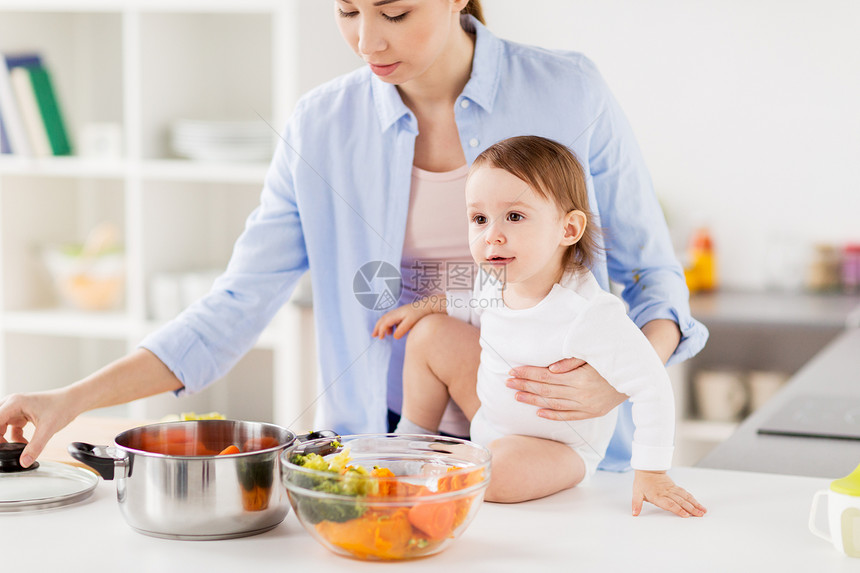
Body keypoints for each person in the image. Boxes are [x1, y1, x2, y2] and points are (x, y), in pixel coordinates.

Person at [0, 1, 706, 472]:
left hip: (555, 449)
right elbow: (235, 305)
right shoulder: (320, 126)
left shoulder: (569, 93)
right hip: (389, 458)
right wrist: (73, 398)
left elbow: (655, 279)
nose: (368, 39)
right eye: (346, 9)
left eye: (394, 11)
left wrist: (617, 380)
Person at [374, 136, 706, 517]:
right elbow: (469, 300)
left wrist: (651, 471)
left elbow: (652, 384)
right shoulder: (495, 278)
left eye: (514, 217)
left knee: (494, 475)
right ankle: (408, 449)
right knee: (430, 334)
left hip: (559, 448)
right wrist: (428, 306)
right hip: (490, 420)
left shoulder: (588, 313)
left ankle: (444, 470)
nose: (491, 235)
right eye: (479, 219)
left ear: (568, 229)